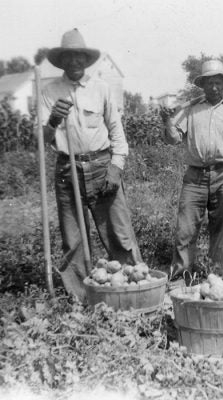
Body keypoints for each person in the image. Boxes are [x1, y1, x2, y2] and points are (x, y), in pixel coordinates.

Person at [41, 29, 143, 301]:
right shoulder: (49, 91)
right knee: (73, 240)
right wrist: (52, 121)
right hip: (67, 169)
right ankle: (82, 299)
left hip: (101, 166)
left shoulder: (101, 88)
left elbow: (117, 133)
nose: (75, 61)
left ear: (86, 60)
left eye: (79, 56)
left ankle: (133, 290)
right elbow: (41, 140)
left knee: (119, 234)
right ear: (61, 60)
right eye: (69, 56)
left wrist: (116, 167)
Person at [163, 60, 223, 278]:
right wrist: (167, 122)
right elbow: (173, 139)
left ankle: (214, 275)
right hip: (195, 177)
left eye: (218, 82)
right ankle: (181, 276)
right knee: (185, 229)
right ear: (203, 85)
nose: (214, 87)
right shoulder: (191, 110)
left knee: (218, 229)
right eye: (209, 83)